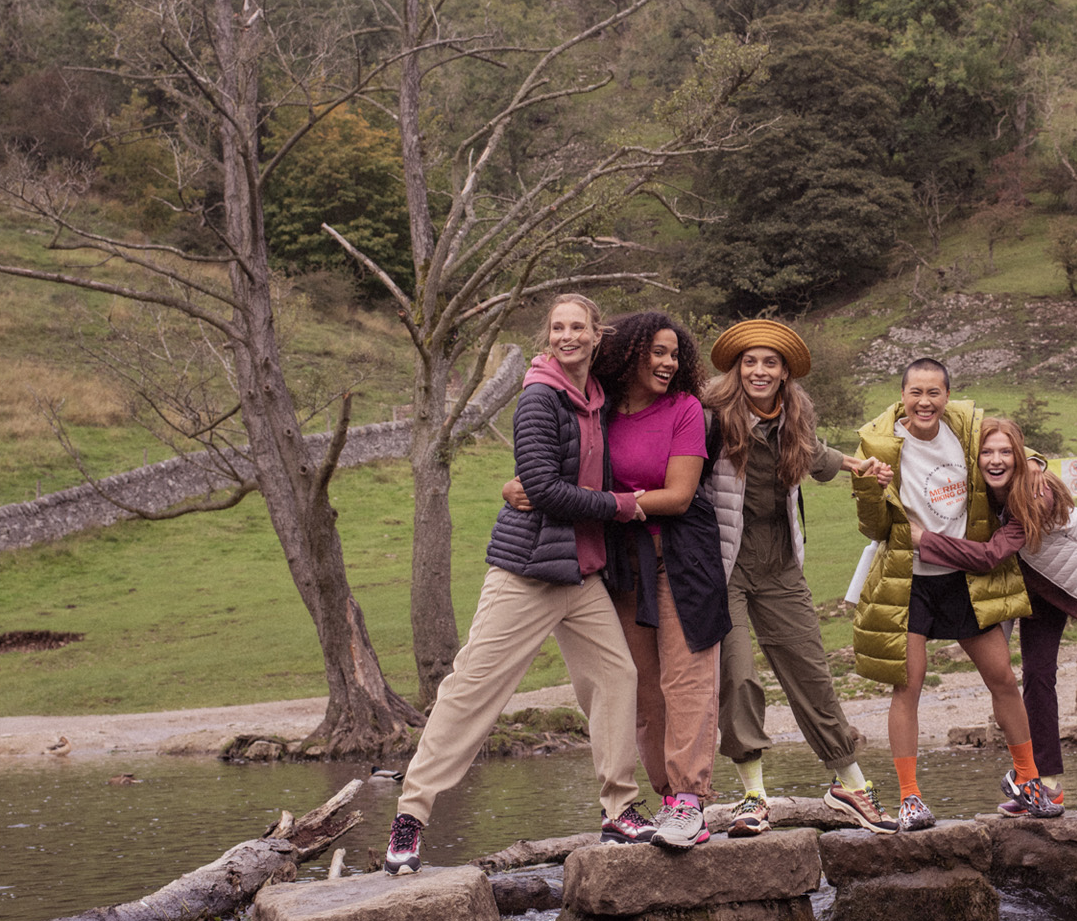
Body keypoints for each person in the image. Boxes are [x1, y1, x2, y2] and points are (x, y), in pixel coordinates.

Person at [383, 295, 653, 875]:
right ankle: (411, 817)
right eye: (558, 327)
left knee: (616, 676)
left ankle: (619, 810)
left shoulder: (597, 398)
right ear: (547, 335)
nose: (568, 335)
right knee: (473, 687)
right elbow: (546, 490)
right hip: (528, 571)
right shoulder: (537, 398)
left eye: (578, 326)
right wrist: (623, 506)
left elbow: (574, 474)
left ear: (596, 334)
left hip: (581, 572)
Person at [700, 319, 898, 836]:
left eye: (770, 362)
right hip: (726, 566)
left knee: (810, 672)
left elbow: (813, 455)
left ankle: (850, 784)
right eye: (750, 361)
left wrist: (858, 467)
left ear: (785, 372)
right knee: (739, 675)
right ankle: (753, 796)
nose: (759, 371)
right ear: (736, 368)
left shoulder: (794, 418)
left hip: (781, 565)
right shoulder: (710, 418)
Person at [850, 358, 1063, 832]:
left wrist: (1034, 464)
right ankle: (910, 797)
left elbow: (1006, 451)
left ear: (947, 396)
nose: (925, 402)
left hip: (965, 577)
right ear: (902, 394)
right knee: (909, 684)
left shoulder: (966, 429)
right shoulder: (879, 444)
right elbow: (873, 526)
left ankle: (1028, 781)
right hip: (911, 579)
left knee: (1003, 677)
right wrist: (869, 489)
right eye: (916, 393)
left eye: (934, 393)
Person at [913, 417, 1077, 818]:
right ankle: (1044, 783)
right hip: (1041, 584)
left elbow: (990, 556)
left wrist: (922, 540)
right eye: (987, 452)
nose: (996, 460)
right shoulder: (979, 489)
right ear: (974, 458)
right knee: (1036, 676)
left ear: (1018, 454)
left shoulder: (1034, 491)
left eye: (1005, 452)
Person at [590, 311, 731, 851]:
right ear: (628, 354)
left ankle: (690, 800)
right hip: (623, 561)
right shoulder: (598, 411)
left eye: (675, 354)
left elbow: (676, 495)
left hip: (684, 556)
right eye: (658, 353)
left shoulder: (686, 408)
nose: (669, 363)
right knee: (641, 686)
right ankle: (666, 796)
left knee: (688, 678)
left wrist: (605, 503)